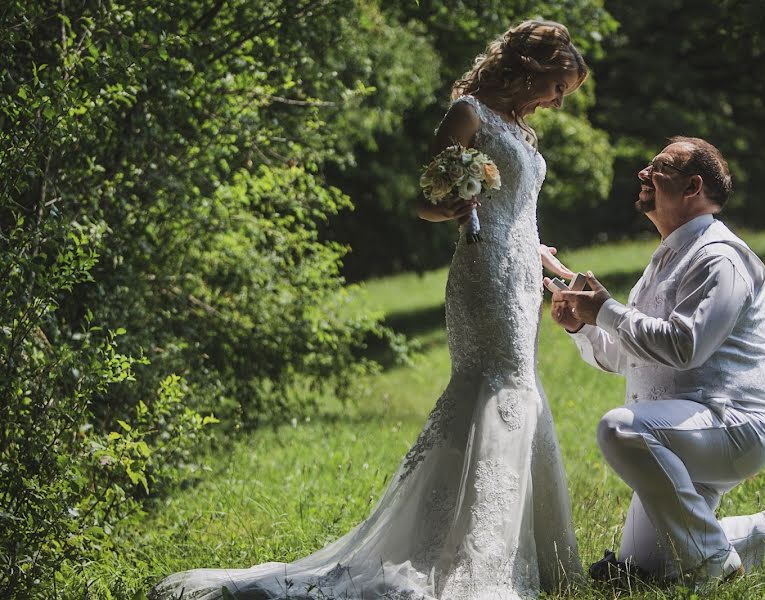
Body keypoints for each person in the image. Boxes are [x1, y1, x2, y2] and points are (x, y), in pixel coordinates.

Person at [151, 19, 587, 600]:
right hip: (483, 273)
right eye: (558, 85)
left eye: (565, 93)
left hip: (521, 275)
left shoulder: (518, 128)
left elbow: (520, 212)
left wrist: (539, 256)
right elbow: (423, 202)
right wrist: (457, 208)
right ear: (531, 67)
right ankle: (475, 563)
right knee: (500, 386)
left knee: (515, 388)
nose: (558, 99)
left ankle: (517, 551)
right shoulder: (469, 113)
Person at [546, 137, 765, 585]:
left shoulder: (720, 257)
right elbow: (630, 355)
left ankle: (712, 559)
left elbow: (685, 346)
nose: (643, 174)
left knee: (619, 427)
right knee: (647, 571)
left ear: (693, 186)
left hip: (730, 426)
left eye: (658, 166)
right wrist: (584, 324)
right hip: (677, 436)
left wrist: (607, 310)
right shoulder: (664, 260)